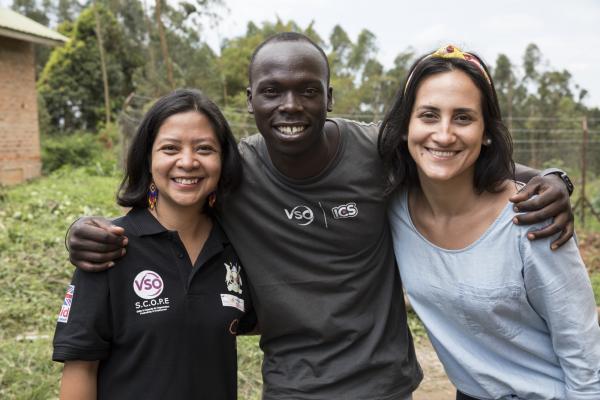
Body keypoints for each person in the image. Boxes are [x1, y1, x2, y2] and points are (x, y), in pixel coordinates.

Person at [65, 34, 575, 399]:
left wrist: (554, 177)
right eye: (272, 91)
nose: (291, 105)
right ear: (251, 100)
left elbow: (460, 154)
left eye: (308, 90)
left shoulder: (377, 150)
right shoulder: (236, 170)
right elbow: (173, 189)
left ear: (329, 97)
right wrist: (85, 229)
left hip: (386, 384)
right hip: (293, 385)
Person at [379, 45, 600, 399]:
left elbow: (584, 353)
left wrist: (557, 177)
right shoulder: (392, 209)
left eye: (463, 117)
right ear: (405, 126)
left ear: (486, 132)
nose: (445, 133)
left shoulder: (531, 216)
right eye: (429, 115)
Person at [53, 89, 255, 399]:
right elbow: (81, 367)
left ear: (223, 159)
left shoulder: (236, 245)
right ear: (148, 158)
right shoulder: (107, 247)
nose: (187, 162)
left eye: (204, 148)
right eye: (170, 148)